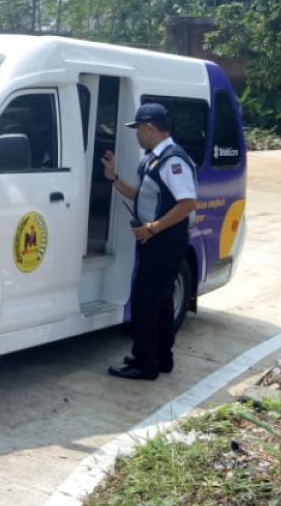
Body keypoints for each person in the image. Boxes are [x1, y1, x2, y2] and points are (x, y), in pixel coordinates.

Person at [100, 103, 198, 381]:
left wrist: (153, 228)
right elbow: (143, 195)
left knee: (146, 301)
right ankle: (161, 357)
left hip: (164, 241)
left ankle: (144, 364)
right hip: (155, 239)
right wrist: (114, 178)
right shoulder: (154, 158)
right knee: (162, 301)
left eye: (138, 130)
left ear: (149, 128)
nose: (136, 136)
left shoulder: (172, 160)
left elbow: (188, 202)